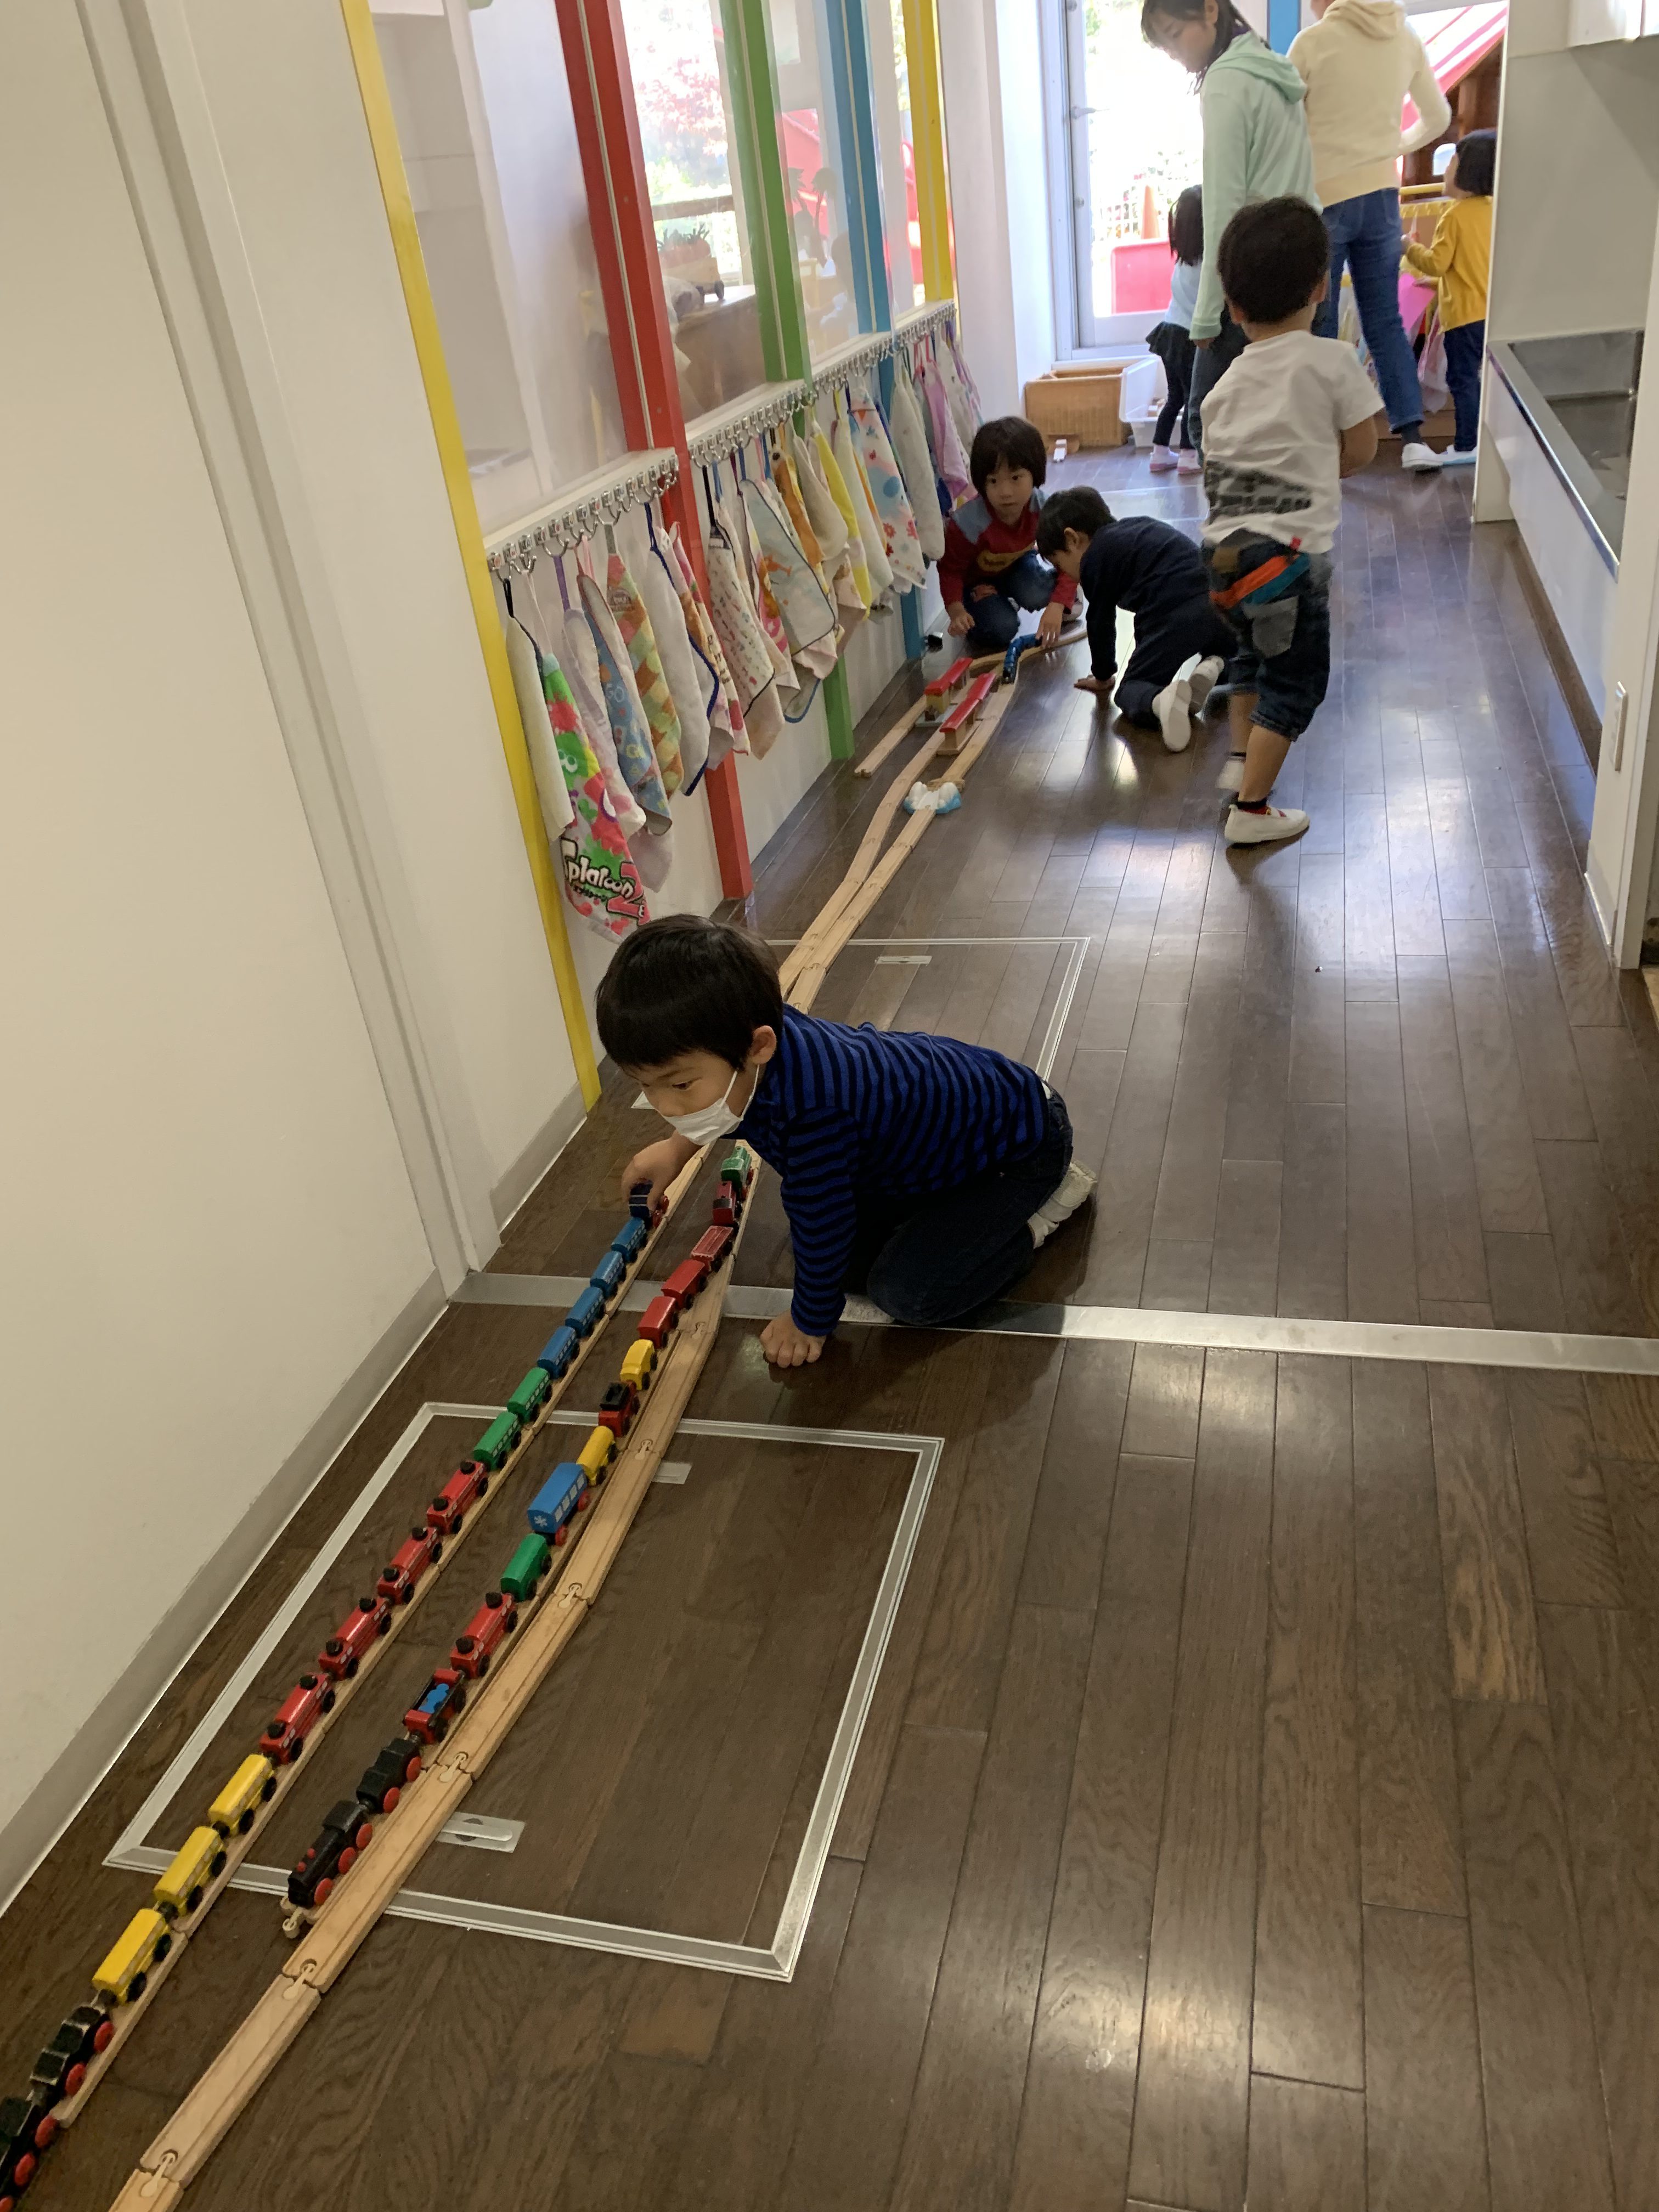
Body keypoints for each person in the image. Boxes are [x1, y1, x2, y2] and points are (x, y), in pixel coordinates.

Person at [602, 916, 1097, 1365]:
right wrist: (676, 1148)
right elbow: (728, 1102)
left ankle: (1036, 1219)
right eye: (646, 1086)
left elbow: (823, 1218)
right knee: (839, 1264)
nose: (666, 1106)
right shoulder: (755, 1041)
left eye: (679, 1085)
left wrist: (808, 1323)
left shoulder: (815, 1117)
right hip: (940, 1145)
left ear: (759, 1046)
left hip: (1022, 1150)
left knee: (907, 1295)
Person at [1200, 196, 1381, 846]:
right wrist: (1322, 469)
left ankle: (1240, 762)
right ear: (1321, 288)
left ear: (1234, 307)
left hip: (1220, 559)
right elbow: (1362, 449)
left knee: (1251, 657)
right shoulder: (1332, 361)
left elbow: (1220, 468)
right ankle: (1250, 811)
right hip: (1286, 559)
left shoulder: (1223, 386)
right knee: (1297, 681)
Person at [1142, 0, 1318, 456]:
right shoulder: (1273, 68)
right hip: (1304, 255)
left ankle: (1244, 505)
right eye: (1165, 47)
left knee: (1207, 420)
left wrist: (1205, 314)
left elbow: (1223, 205)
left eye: (1175, 36)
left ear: (1210, 10)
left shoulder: (1224, 82)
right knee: (1289, 418)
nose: (1176, 54)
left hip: (1253, 268)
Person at [1289, 0, 1451, 472]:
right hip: (1383, 197)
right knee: (1384, 320)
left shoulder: (1313, 43)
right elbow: (1438, 118)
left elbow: (1285, 125)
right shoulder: (1404, 36)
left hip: (1324, 197)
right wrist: (1393, 147)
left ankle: (1325, 442)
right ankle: (1413, 439)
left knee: (1318, 320)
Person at [1036, 484, 1233, 752]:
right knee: (1228, 650)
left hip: (1171, 613)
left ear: (1073, 539)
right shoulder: (1136, 526)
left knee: (1131, 689)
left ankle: (1160, 702)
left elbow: (1101, 623)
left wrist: (1103, 675)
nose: (1066, 574)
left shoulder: (1094, 560)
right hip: (1216, 600)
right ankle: (1215, 665)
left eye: (1060, 564)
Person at [938, 416, 1077, 653]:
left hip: (1018, 566)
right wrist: (957, 612)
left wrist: (1058, 604)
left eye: (1015, 478)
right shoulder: (967, 523)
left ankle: (1067, 595)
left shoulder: (1044, 509)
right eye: (993, 481)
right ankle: (998, 604)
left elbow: (1069, 557)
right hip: (976, 584)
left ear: (1035, 474)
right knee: (1001, 629)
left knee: (1040, 593)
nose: (1005, 492)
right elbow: (950, 570)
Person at [1403, 128, 1494, 465]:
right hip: (1489, 312)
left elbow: (1437, 263)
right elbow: (1471, 264)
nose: (1444, 171)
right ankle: (1486, 441)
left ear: (1466, 172)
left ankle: (1467, 445)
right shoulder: (1494, 209)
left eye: (1451, 163)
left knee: (1462, 380)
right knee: (1486, 381)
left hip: (1464, 317)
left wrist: (1408, 247)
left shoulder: (1454, 215)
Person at [1147, 187, 1205, 476]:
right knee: (1193, 397)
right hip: (1187, 339)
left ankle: (1160, 451)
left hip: (1169, 333)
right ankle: (1188, 453)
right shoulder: (1206, 265)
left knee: (1175, 398)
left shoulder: (1183, 260)